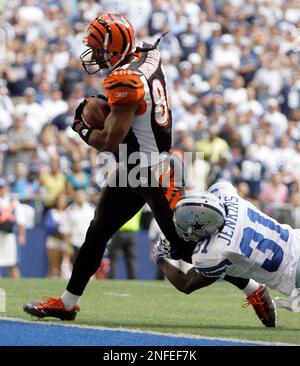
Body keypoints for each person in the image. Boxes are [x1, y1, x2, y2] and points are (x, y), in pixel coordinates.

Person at [24, 13, 262, 322]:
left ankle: (254, 288)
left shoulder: (125, 80)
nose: (94, 54)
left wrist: (82, 128)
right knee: (97, 232)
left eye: (98, 48)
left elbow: (110, 140)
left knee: (186, 249)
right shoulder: (148, 51)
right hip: (133, 166)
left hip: (152, 171)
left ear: (113, 49)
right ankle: (68, 303)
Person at [152, 180, 300, 326]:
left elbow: (185, 284)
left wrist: (159, 258)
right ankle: (254, 290)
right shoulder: (224, 191)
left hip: (294, 276)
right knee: (229, 260)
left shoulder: (214, 251)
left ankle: (253, 289)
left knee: (221, 262)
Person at [0, 178, 26, 278]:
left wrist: (22, 235)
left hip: (9, 236)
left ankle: (18, 287)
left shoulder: (13, 202)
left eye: (2, 187)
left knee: (13, 263)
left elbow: (21, 220)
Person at [108, 210, 142, 280]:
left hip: (119, 231)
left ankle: (112, 279)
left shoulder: (121, 202)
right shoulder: (138, 202)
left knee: (114, 258)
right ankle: (133, 280)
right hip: (132, 233)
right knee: (131, 259)